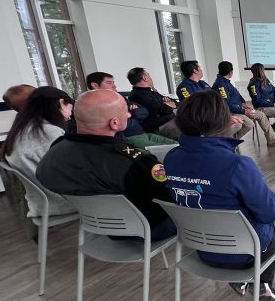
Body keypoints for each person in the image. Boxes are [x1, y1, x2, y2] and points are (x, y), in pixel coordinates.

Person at [162, 90, 275, 301]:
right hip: (243, 252)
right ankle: (261, 279)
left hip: (202, 248)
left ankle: (259, 282)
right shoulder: (237, 165)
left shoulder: (171, 158)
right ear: (223, 122)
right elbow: (269, 213)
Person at [36, 89, 176, 241]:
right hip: (144, 229)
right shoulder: (135, 161)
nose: (129, 115)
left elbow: (44, 177)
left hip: (96, 225)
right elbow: (168, 199)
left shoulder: (56, 149)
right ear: (114, 123)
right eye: (126, 112)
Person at [1, 86, 76, 219]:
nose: (70, 115)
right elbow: (74, 170)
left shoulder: (22, 128)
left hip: (39, 202)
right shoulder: (48, 132)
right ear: (59, 103)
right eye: (70, 109)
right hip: (60, 202)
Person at [86, 72, 175, 149]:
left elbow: (144, 111)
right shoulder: (95, 104)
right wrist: (132, 112)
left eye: (113, 82)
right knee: (168, 151)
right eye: (109, 83)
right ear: (95, 85)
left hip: (144, 133)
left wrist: (129, 113)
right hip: (130, 138)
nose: (114, 86)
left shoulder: (120, 97)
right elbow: (117, 123)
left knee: (177, 145)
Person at [213, 61, 275, 145]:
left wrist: (244, 104)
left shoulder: (226, 82)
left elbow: (237, 96)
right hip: (233, 112)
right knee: (249, 124)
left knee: (261, 115)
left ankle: (272, 139)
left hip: (240, 109)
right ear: (230, 72)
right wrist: (244, 111)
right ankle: (230, 142)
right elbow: (226, 105)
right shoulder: (221, 85)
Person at [127, 67, 181, 140]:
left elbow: (176, 103)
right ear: (144, 78)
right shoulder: (139, 95)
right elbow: (166, 109)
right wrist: (166, 104)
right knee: (192, 128)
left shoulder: (151, 92)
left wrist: (167, 103)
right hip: (162, 126)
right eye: (149, 76)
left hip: (171, 120)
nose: (151, 78)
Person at [247, 63, 275, 141]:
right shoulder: (253, 84)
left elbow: (274, 90)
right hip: (262, 107)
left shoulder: (266, 80)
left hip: (272, 105)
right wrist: (272, 104)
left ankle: (274, 128)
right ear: (260, 70)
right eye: (263, 69)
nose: (264, 71)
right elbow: (257, 101)